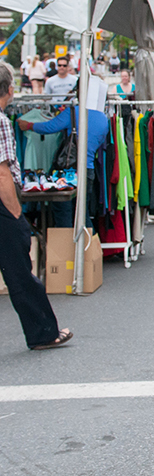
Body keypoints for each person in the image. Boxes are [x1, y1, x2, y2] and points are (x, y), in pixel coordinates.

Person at [0, 62, 73, 350]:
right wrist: (16, 212)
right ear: (10, 89)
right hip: (3, 207)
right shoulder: (3, 123)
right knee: (20, 272)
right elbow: (3, 172)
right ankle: (43, 332)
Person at [18, 84, 110, 229]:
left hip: (68, 171)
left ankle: (65, 247)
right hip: (88, 169)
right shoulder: (103, 118)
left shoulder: (73, 112)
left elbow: (50, 127)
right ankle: (89, 248)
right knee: (82, 212)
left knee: (63, 211)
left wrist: (29, 125)